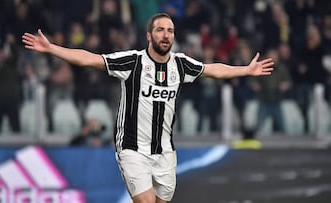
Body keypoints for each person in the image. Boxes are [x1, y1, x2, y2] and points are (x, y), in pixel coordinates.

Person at [22, 13, 274, 203]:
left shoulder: (180, 64)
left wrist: (246, 69)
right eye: (160, 30)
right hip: (132, 149)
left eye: (170, 31)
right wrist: (51, 48)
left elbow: (212, 70)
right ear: (149, 35)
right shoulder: (132, 62)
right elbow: (90, 59)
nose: (166, 35)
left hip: (165, 152)